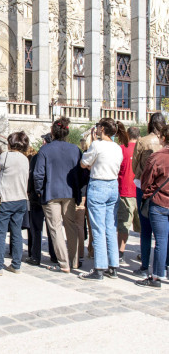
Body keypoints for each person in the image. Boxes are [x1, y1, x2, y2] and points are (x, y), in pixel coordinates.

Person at [79, 118, 127, 280]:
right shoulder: (117, 148)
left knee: (98, 228)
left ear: (103, 129)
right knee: (110, 227)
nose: (97, 129)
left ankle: (99, 267)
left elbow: (84, 163)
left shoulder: (97, 145)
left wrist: (91, 164)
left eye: (98, 127)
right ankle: (113, 266)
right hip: (113, 185)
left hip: (99, 184)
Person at [33, 117, 82, 273]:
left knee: (55, 228)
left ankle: (63, 262)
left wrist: (39, 190)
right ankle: (74, 261)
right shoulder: (75, 149)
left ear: (52, 132)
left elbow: (38, 174)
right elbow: (81, 173)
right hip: (70, 192)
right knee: (71, 226)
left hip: (51, 192)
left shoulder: (45, 150)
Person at [0, 131, 29, 276]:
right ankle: (16, 264)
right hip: (21, 199)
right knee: (16, 233)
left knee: (0, 233)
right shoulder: (25, 159)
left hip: (6, 199)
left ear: (11, 143)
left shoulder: (5, 156)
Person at [132, 112, 166, 278]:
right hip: (165, 189)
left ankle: (145, 265)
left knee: (145, 229)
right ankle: (164, 265)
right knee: (164, 232)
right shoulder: (164, 143)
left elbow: (134, 166)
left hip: (145, 187)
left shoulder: (143, 141)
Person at [137, 125, 169, 289]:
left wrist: (148, 192)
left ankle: (156, 277)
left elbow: (145, 181)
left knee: (161, 240)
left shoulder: (157, 157)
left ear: (163, 138)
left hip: (159, 201)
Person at [26, 137, 58, 266]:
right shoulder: (56, 156)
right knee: (52, 227)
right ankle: (55, 254)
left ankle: (36, 256)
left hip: (38, 195)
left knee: (37, 228)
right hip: (53, 195)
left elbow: (33, 175)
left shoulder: (38, 156)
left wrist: (32, 191)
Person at [117, 126, 141, 264]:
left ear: (127, 135)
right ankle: (144, 253)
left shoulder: (121, 149)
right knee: (142, 227)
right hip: (140, 191)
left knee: (123, 226)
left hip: (124, 191)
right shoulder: (142, 150)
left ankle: (120, 254)